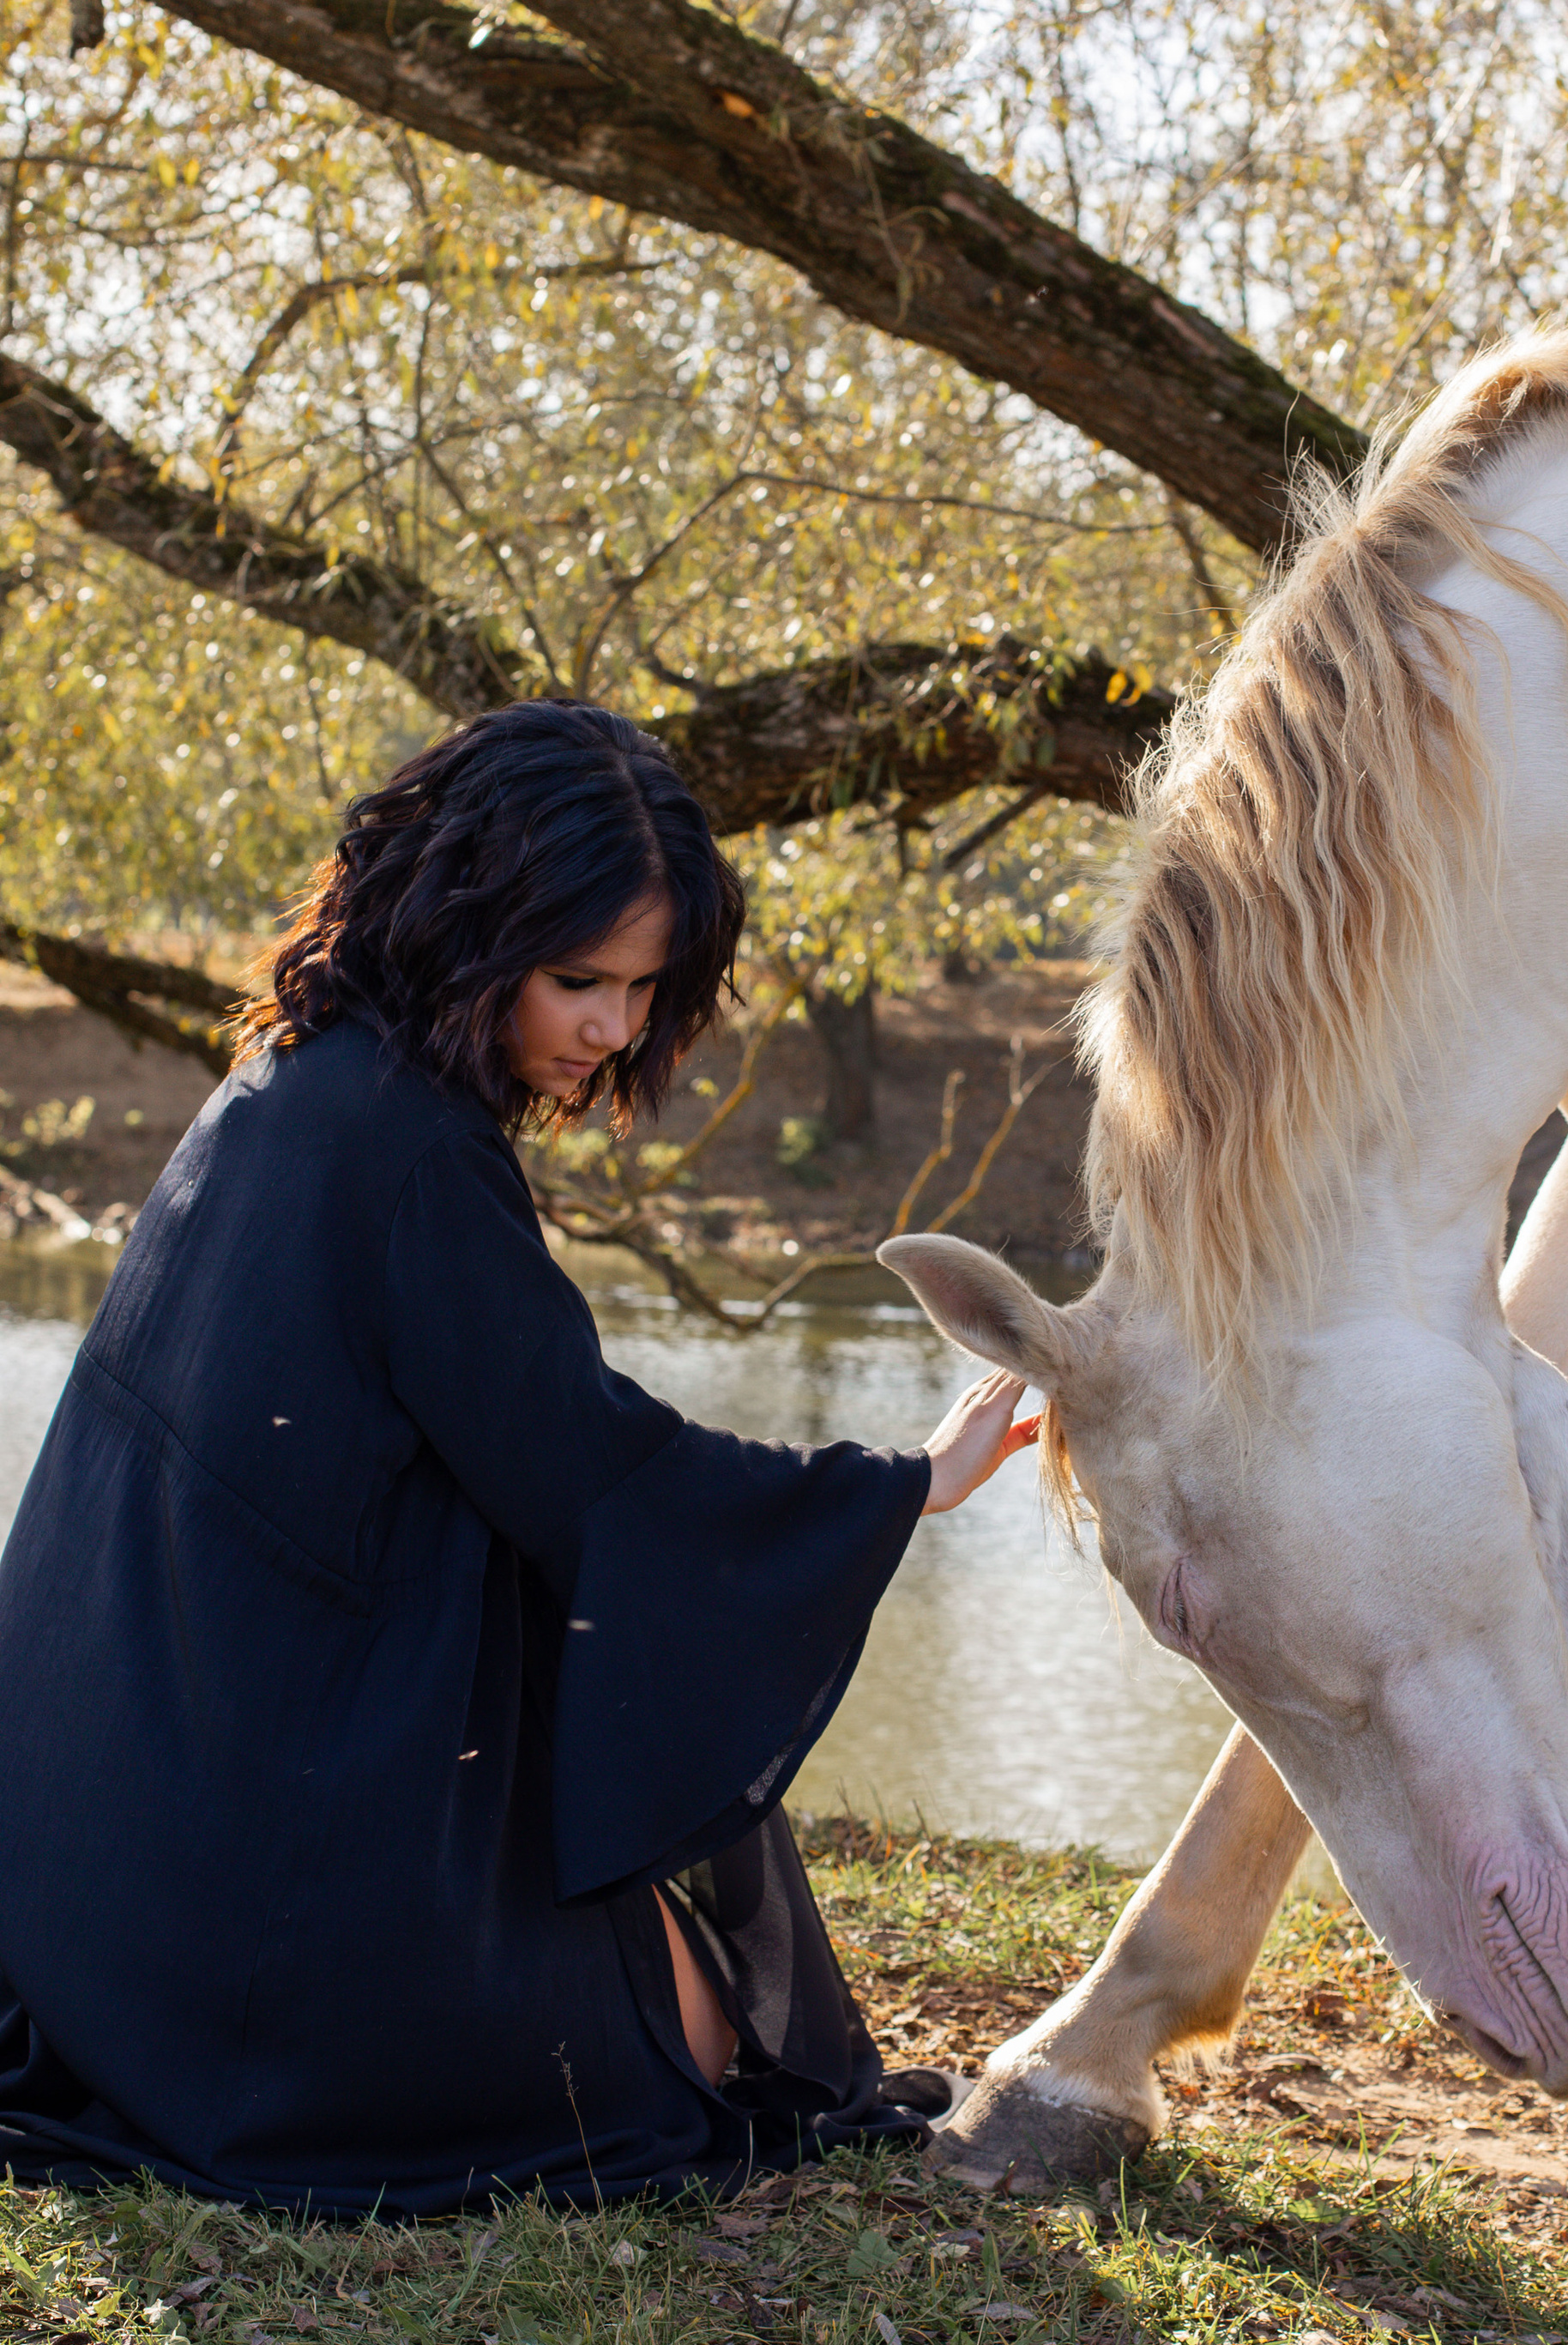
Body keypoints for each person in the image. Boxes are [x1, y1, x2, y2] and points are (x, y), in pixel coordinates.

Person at [0, 701, 1037, 2214]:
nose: (612, 1031)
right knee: (689, 2073)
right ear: (460, 927)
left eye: (642, 988)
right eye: (576, 981)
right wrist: (901, 1487)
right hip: (252, 1910)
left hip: (107, 1872)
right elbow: (597, 1480)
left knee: (710, 2014)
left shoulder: (289, 1086)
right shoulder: (410, 1156)